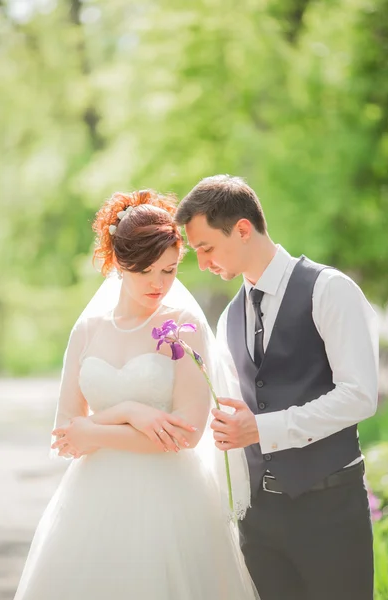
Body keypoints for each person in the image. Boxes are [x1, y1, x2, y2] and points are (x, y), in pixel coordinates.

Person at [14, 190, 259, 600]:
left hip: (170, 502)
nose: (158, 284)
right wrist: (130, 412)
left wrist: (96, 431)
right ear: (117, 263)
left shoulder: (183, 326)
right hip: (92, 502)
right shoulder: (88, 329)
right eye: (145, 270)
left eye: (169, 270)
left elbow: (187, 434)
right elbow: (65, 433)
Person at [175, 174, 379, 600]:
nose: (203, 262)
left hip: (330, 512)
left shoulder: (329, 290)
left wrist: (262, 429)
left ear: (243, 229)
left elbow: (360, 395)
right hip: (259, 523)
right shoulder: (229, 317)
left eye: (207, 247)